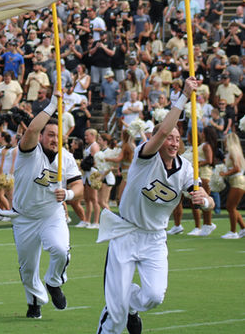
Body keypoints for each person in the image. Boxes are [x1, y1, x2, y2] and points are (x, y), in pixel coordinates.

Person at [95, 77, 210, 334]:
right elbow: (160, 132)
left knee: (154, 296)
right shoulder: (144, 157)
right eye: (169, 138)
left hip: (155, 238)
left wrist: (205, 201)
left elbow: (201, 195)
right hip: (126, 232)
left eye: (177, 139)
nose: (173, 142)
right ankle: (115, 314)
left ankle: (131, 307)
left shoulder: (186, 169)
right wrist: (182, 97)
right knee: (114, 314)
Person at [12, 89, 82, 319]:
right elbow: (31, 128)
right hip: (24, 217)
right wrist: (53, 104)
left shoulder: (66, 157)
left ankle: (53, 282)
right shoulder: (29, 152)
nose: (54, 139)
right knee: (28, 267)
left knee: (61, 250)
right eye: (50, 134)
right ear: (41, 136)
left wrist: (69, 195)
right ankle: (34, 302)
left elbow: (79, 185)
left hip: (51, 214)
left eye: (57, 135)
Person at [219, 131, 245, 239]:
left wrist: (225, 174)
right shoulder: (234, 151)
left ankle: (233, 231)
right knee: (232, 207)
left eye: (226, 140)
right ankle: (243, 228)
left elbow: (237, 168)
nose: (224, 142)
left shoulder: (233, 150)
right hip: (236, 181)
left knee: (230, 206)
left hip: (237, 181)